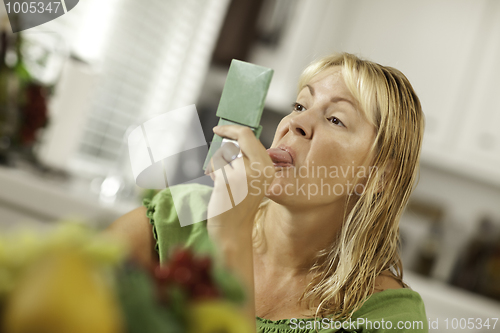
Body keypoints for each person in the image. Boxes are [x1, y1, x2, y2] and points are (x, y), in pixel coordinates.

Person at [106, 52, 427, 332]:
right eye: (300, 104)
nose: (297, 122)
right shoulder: (176, 218)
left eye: (335, 119)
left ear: (379, 176)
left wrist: (230, 231)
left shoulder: (387, 318)